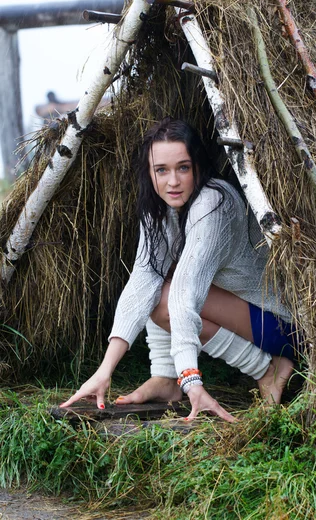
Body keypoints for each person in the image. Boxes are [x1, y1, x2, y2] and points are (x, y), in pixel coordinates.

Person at [60, 118, 298, 422]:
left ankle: (267, 370)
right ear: (150, 173)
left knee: (167, 292)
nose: (172, 181)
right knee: (155, 284)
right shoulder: (158, 207)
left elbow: (184, 295)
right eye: (162, 170)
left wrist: (191, 379)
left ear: (197, 166)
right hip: (249, 319)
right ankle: (164, 378)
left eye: (182, 168)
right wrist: (104, 370)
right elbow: (142, 281)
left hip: (284, 325)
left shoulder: (214, 202)